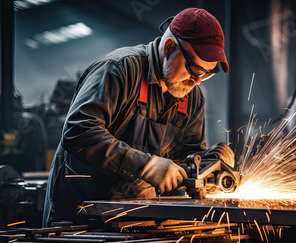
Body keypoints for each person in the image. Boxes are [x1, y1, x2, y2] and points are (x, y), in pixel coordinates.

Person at [43, 8, 235, 226]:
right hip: (82, 214)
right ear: (169, 47)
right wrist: (146, 166)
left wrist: (208, 164)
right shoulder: (119, 70)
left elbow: (185, 157)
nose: (197, 81)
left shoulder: (192, 97)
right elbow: (78, 131)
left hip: (137, 217)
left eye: (206, 74)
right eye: (194, 69)